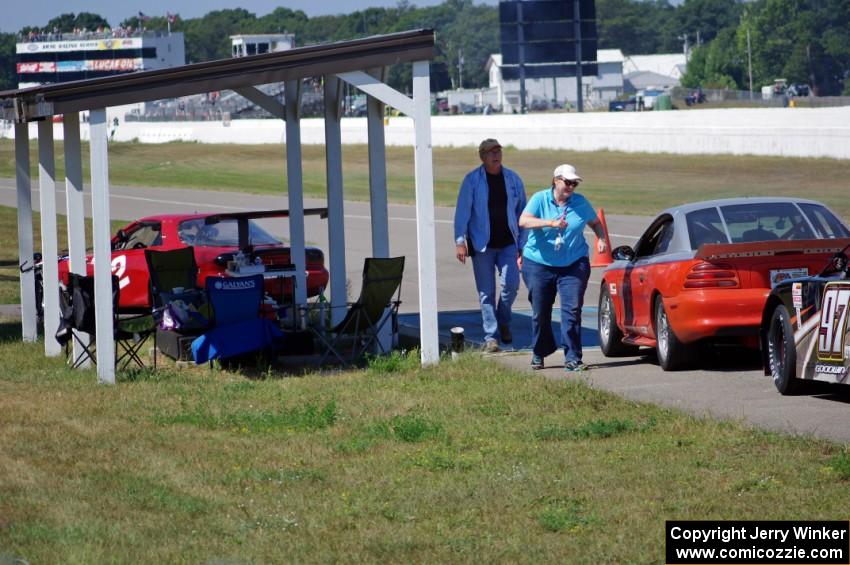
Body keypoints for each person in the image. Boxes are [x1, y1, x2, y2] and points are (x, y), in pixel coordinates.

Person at [518, 164, 608, 371]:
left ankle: (572, 357)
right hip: (538, 263)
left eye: (574, 183)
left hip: (573, 263)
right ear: (556, 180)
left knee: (572, 309)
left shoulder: (580, 202)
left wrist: (601, 237)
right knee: (540, 312)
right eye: (567, 182)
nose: (571, 187)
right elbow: (523, 221)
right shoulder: (540, 198)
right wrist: (550, 223)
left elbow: (594, 222)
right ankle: (539, 351)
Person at [454, 138, 527, 353]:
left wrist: (522, 242)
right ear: (482, 156)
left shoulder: (513, 179)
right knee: (486, 292)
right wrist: (460, 241)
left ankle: (503, 319)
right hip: (481, 245)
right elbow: (462, 213)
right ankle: (491, 336)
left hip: (508, 244)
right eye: (490, 152)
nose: (496, 155)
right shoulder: (472, 181)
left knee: (511, 284)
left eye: (498, 151)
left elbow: (523, 212)